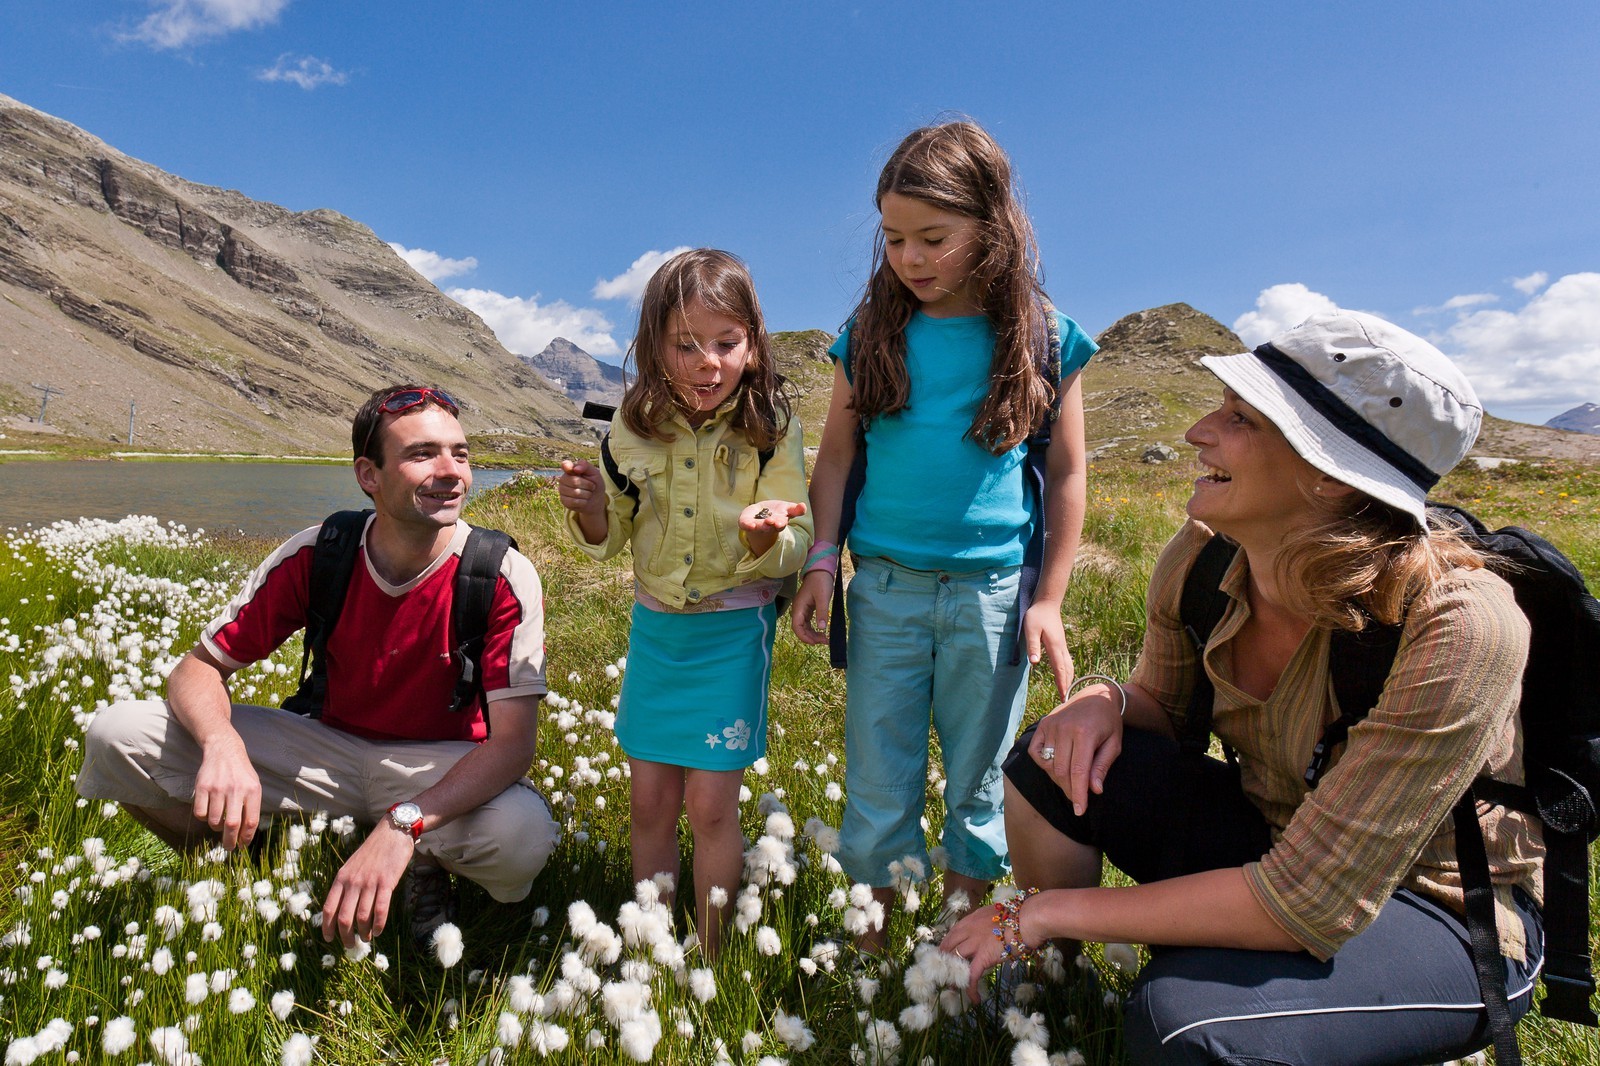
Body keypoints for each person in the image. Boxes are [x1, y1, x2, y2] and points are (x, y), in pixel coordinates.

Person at [941, 311, 1545, 1064]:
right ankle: (1047, 996)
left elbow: (1308, 902)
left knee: (1186, 1027)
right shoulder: (1205, 558)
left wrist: (1045, 911)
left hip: (1435, 908)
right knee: (1050, 758)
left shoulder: (1462, 624)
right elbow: (1163, 711)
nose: (1198, 432)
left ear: (1328, 473)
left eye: (1240, 419)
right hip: (1277, 840)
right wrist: (1106, 701)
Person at [78, 385, 560, 951]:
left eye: (460, 453)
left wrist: (405, 822)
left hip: (438, 766)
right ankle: (243, 864)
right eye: (422, 454)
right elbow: (196, 670)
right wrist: (221, 744)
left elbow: (512, 746)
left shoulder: (499, 573)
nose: (452, 472)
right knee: (117, 734)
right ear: (368, 475)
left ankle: (420, 859)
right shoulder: (320, 553)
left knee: (521, 837)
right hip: (324, 752)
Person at [791, 120, 1098, 950]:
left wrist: (1050, 600)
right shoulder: (871, 333)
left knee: (983, 785)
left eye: (933, 238)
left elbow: (1068, 473)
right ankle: (873, 957)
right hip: (884, 592)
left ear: (992, 226)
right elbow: (836, 457)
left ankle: (959, 959)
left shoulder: (1044, 337)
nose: (910, 258)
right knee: (876, 784)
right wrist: (821, 560)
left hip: (995, 601)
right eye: (894, 239)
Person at [557, 248, 812, 957]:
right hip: (656, 631)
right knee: (648, 802)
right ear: (654, 347)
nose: (709, 363)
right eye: (686, 345)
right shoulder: (631, 426)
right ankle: (651, 948)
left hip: (732, 633)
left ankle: (711, 956)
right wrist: (588, 509)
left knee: (711, 807)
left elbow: (798, 535)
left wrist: (767, 538)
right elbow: (611, 534)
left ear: (752, 343)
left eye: (727, 343)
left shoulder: (772, 425)